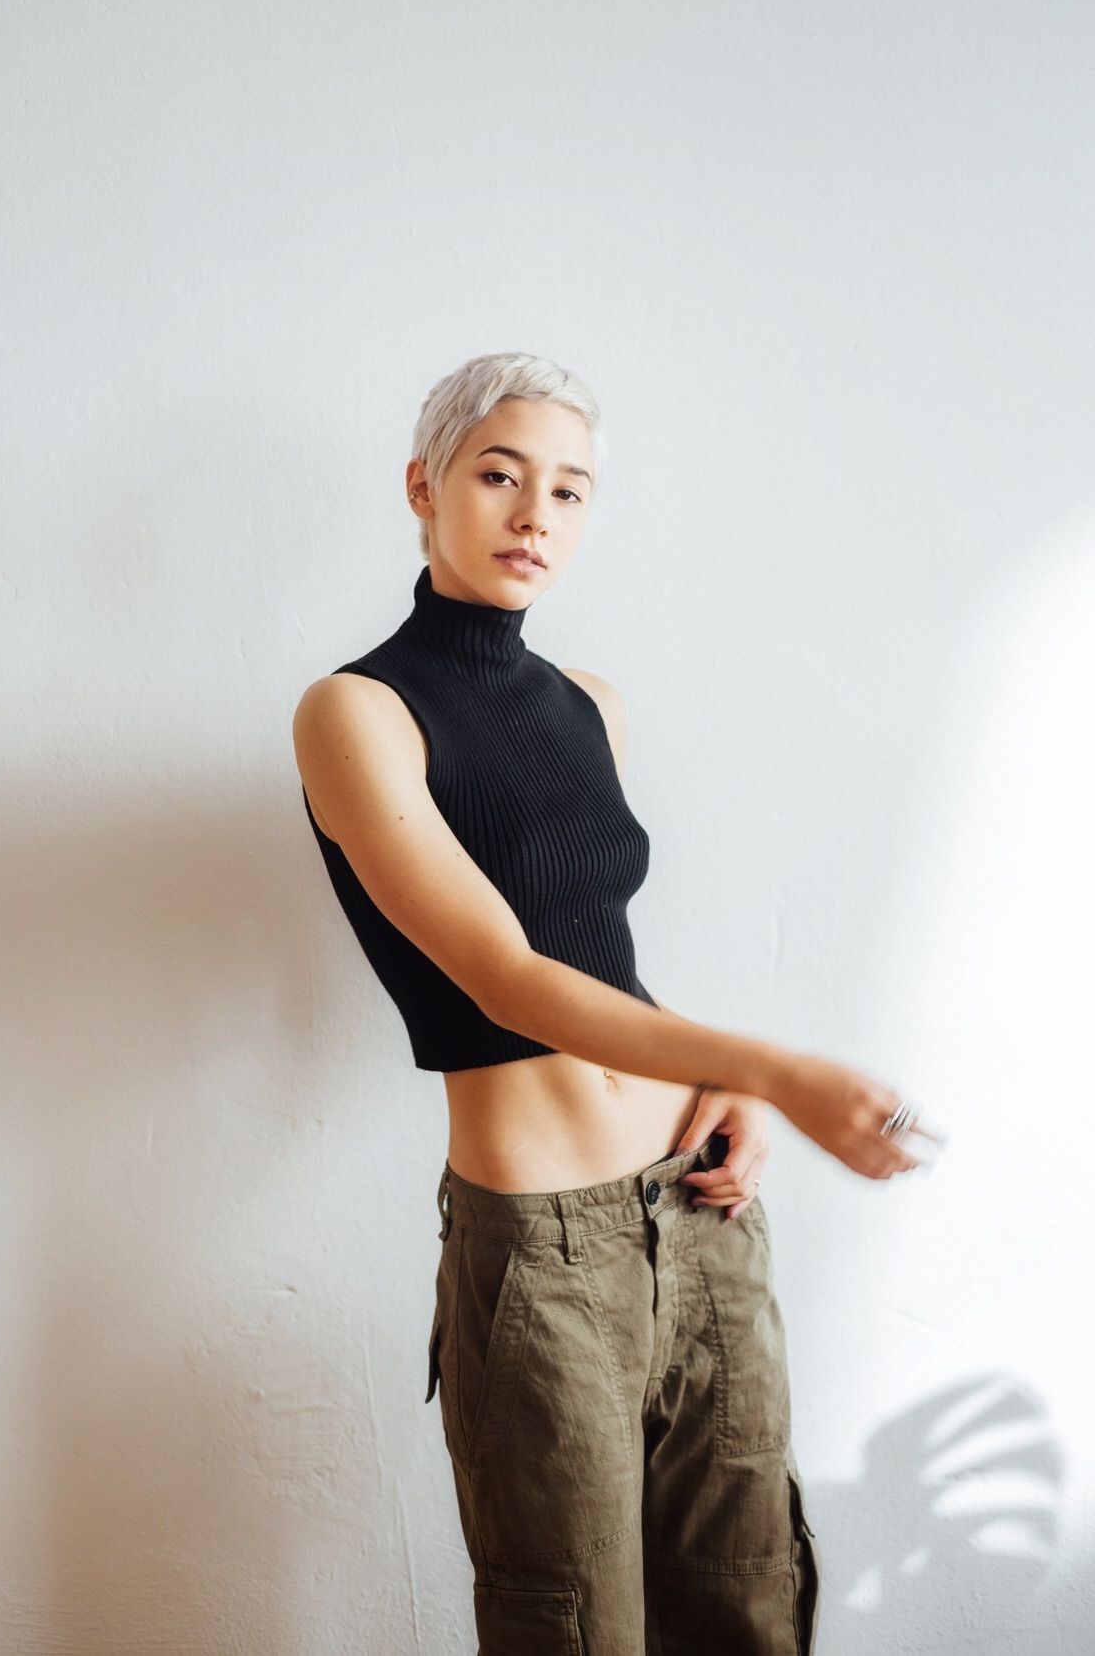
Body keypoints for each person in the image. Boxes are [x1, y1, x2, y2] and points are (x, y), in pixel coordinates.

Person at [292, 351, 931, 1655]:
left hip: (699, 1208)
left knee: (747, 1601)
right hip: (545, 1258)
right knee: (577, 1627)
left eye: (571, 490)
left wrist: (727, 1081)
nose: (536, 514)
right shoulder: (356, 712)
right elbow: (508, 979)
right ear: (422, 488)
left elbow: (593, 958)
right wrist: (786, 1066)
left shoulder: (590, 706)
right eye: (500, 475)